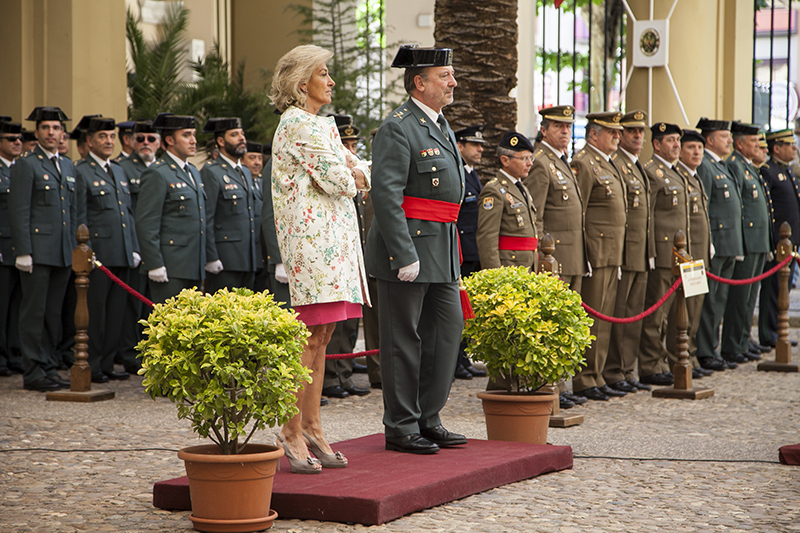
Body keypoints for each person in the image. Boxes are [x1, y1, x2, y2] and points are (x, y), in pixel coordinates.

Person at [270, 44, 370, 472]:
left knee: (324, 337)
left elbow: (358, 169)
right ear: (301, 83)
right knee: (309, 339)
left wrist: (354, 173)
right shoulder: (298, 124)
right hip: (313, 247)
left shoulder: (320, 124)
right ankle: (290, 428)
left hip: (334, 244)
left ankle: (312, 424)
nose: (331, 81)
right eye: (323, 73)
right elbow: (340, 179)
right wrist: (353, 174)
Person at [367, 44, 468, 454]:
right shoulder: (398, 126)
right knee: (402, 341)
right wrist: (402, 252)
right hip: (407, 250)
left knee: (447, 332)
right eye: (445, 76)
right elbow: (386, 196)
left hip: (441, 246)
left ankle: (429, 417)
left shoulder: (440, 124)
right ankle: (401, 425)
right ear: (419, 82)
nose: (453, 83)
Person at [8, 106, 75, 392]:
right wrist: (23, 250)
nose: (51, 133)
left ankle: (48, 364)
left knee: (53, 313)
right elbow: (19, 209)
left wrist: (75, 247)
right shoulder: (27, 164)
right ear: (37, 132)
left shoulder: (68, 166)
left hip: (62, 250)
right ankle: (32, 369)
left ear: (62, 133)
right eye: (46, 128)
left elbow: (74, 211)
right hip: (36, 249)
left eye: (56, 128)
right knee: (34, 311)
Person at [74, 117, 140, 383]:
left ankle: (108, 362)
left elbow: (127, 213)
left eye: (111, 137)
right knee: (96, 313)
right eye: (103, 137)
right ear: (89, 141)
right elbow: (80, 216)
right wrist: (84, 252)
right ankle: (93, 363)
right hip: (98, 254)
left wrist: (133, 247)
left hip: (121, 252)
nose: (109, 142)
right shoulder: (81, 171)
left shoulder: (118, 170)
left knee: (116, 314)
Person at [570, 111, 627, 401]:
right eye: (611, 132)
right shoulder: (584, 162)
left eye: (618, 132)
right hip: (596, 250)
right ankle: (583, 378)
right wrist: (586, 254)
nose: (618, 136)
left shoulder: (608, 163)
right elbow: (580, 213)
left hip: (612, 251)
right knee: (591, 318)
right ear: (594, 134)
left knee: (604, 320)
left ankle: (597, 373)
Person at [322, 115, 372, 399]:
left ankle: (345, 372)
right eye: (346, 143)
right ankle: (330, 378)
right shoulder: (335, 172)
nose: (351, 149)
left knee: (351, 323)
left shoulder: (353, 172)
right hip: (335, 255)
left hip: (354, 255)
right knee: (336, 323)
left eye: (354, 144)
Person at [604, 110, 654, 393]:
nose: (638, 136)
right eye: (632, 131)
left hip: (640, 251)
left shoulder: (636, 165)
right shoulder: (618, 164)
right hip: (622, 251)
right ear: (620, 135)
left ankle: (626, 369)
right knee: (620, 315)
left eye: (640, 132)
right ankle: (614, 370)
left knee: (634, 314)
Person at [637, 122, 690, 386]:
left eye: (677, 141)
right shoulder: (652, 172)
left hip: (678, 255)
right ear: (656, 144)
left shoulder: (676, 172)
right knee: (655, 313)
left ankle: (669, 359)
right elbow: (647, 217)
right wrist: (652, 252)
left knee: (672, 313)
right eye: (670, 140)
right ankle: (650, 364)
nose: (676, 145)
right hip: (661, 252)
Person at [135, 113, 206, 304]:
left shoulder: (193, 172)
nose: (193, 140)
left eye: (193, 134)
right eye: (186, 135)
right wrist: (154, 264)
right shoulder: (157, 173)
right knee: (169, 327)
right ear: (169, 140)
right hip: (170, 267)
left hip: (193, 265)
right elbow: (146, 223)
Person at [720, 122, 771, 365]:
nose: (758, 146)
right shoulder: (735, 166)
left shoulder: (748, 167)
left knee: (749, 298)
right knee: (739, 298)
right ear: (740, 143)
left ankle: (741, 341)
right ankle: (732, 345)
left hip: (758, 242)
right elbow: (739, 208)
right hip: (747, 242)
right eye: (752, 141)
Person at [694, 117, 743, 371]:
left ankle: (712, 347)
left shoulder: (720, 165)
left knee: (719, 300)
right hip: (715, 242)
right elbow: (705, 207)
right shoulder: (704, 165)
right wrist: (709, 242)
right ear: (710, 139)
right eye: (724, 136)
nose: (730, 140)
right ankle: (704, 350)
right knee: (709, 301)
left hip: (728, 243)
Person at [116, 119, 160, 374]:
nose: (145, 143)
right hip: (132, 248)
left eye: (150, 139)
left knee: (150, 305)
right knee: (131, 305)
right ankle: (130, 354)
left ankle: (148, 352)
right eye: (140, 139)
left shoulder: (161, 168)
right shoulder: (123, 168)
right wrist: (132, 246)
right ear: (131, 141)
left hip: (155, 249)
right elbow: (128, 216)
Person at [670, 129, 713, 378]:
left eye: (699, 148)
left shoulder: (693, 177)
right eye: (690, 148)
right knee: (680, 308)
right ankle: (675, 357)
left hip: (696, 253)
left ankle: (691, 354)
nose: (696, 152)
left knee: (695, 306)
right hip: (681, 254)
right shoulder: (679, 175)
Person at [200, 117, 258, 294]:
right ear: (220, 141)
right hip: (224, 261)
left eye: (242, 134)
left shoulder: (245, 172)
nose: (241, 138)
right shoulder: (211, 171)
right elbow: (206, 218)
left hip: (247, 259)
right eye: (234, 135)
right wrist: (211, 257)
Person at [759, 129, 800, 349]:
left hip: (791, 242)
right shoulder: (769, 171)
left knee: (783, 290)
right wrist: (773, 241)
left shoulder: (786, 171)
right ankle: (768, 332)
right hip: (778, 242)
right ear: (777, 148)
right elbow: (769, 210)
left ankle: (779, 328)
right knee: (773, 289)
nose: (794, 148)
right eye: (790, 144)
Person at [453, 124, 487, 380]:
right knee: (456, 309)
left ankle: (462, 356)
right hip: (461, 250)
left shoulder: (472, 174)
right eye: (474, 145)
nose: (480, 149)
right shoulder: (457, 173)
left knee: (467, 311)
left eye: (481, 145)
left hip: (473, 250)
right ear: (460, 146)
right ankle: (453, 360)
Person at [476, 131, 538, 271]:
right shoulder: (494, 191)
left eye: (530, 158)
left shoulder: (522, 188)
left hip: (526, 267)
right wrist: (495, 276)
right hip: (509, 269)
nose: (529, 164)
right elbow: (487, 238)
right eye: (524, 159)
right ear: (505, 160)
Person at [0, 121, 24, 377]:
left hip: (19, 247)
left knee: (18, 305)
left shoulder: (21, 169)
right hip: (3, 246)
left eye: (18, 139)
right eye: (10, 139)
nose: (17, 142)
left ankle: (14, 353)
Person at [242, 141, 268, 293]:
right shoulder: (242, 184)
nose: (257, 162)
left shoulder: (262, 183)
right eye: (252, 158)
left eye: (259, 158)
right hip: (244, 255)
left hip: (261, 254)